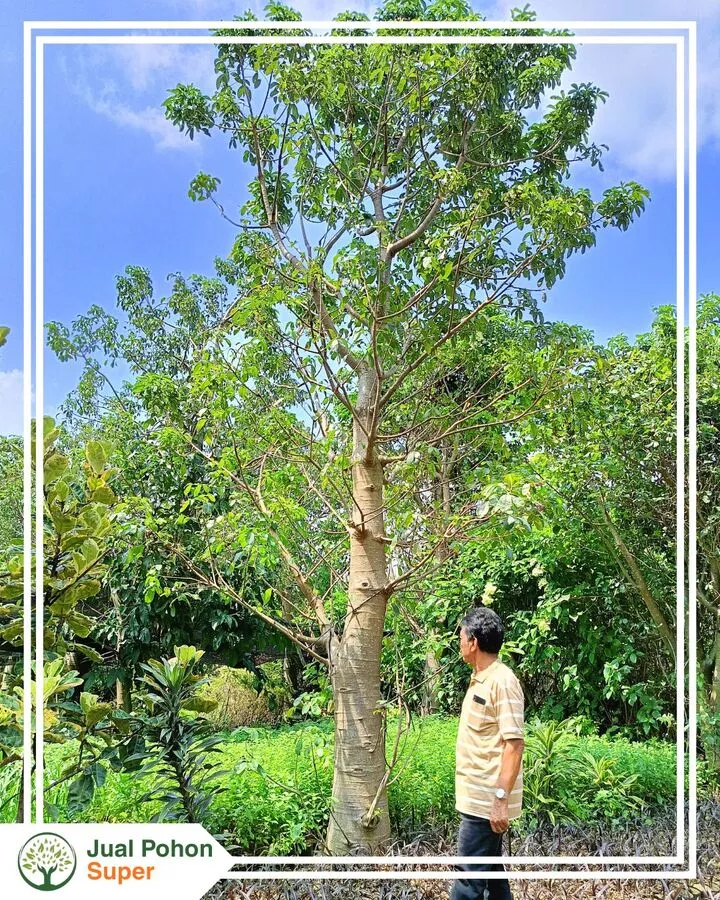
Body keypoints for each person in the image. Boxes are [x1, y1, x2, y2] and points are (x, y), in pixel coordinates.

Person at [451, 606, 525, 900]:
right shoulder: (482, 677)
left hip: (485, 803)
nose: (459, 642)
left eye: (461, 636)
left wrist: (499, 801)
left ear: (473, 642)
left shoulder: (502, 681)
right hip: (477, 799)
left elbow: (514, 744)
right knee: (494, 878)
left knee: (467, 883)